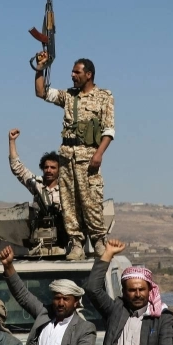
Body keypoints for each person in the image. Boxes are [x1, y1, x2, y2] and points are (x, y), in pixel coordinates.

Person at [33, 53, 115, 260]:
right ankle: (76, 243)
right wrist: (40, 69)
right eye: (72, 71)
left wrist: (99, 154)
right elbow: (41, 92)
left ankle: (98, 241)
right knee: (69, 202)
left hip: (88, 158)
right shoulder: (69, 96)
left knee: (91, 202)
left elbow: (109, 130)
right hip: (67, 157)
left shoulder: (104, 96)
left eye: (76, 72)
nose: (72, 75)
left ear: (88, 74)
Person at [9, 128, 65, 256]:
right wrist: (12, 141)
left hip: (62, 241)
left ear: (59, 170)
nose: (49, 170)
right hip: (39, 240)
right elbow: (18, 168)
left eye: (53, 167)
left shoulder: (66, 189)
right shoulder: (37, 185)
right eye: (46, 167)